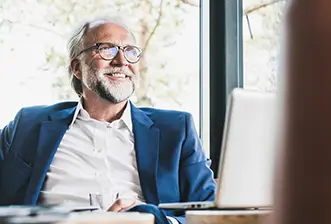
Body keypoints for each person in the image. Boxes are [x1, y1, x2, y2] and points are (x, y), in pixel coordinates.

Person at [0, 18, 216, 224]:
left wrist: (157, 221)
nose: (122, 61)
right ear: (77, 67)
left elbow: (210, 211)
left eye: (130, 51)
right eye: (106, 49)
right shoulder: (27, 124)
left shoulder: (177, 129)